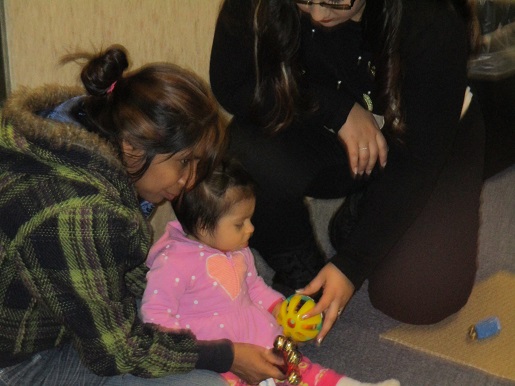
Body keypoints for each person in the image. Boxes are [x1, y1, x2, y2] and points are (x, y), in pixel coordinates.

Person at [0, 45, 286, 385]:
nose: (190, 181)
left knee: (177, 305)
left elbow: (119, 269)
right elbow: (116, 351)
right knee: (206, 381)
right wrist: (226, 355)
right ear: (133, 145)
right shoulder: (80, 213)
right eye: (184, 163)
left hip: (56, 316)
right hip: (22, 364)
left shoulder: (87, 130)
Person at [209, 0, 485, 342]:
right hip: (333, 127)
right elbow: (232, 83)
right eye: (304, 2)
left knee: (417, 300)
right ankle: (303, 264)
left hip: (426, 141)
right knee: (243, 153)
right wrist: (336, 110)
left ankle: (363, 211)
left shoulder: (429, 19)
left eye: (334, 3)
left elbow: (418, 163)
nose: (319, 16)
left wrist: (352, 263)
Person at [141, 157, 400, 386]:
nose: (251, 229)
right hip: (221, 357)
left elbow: (253, 286)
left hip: (259, 335)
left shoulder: (237, 249)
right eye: (240, 223)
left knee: (303, 371)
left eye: (250, 219)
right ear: (202, 226)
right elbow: (155, 316)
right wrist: (197, 351)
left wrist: (279, 308)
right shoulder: (174, 263)